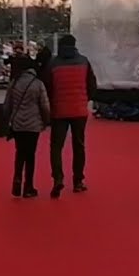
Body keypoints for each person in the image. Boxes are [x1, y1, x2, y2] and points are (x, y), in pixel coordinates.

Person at [41, 34, 97, 199]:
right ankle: (78, 181)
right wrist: (84, 99)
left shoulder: (53, 64)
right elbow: (92, 85)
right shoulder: (84, 61)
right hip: (79, 110)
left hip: (59, 111)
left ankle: (58, 178)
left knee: (56, 147)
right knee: (79, 145)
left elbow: (47, 87)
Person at [4, 64, 50, 198]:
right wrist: (46, 120)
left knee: (19, 153)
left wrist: (8, 119)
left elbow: (7, 104)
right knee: (30, 155)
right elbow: (45, 105)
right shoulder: (38, 83)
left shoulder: (14, 83)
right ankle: (28, 186)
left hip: (18, 123)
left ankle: (16, 181)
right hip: (33, 124)